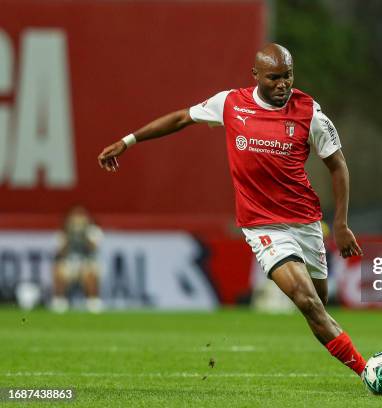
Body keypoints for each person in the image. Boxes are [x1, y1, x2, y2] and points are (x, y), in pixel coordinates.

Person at [97, 44, 367, 377]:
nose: (283, 84)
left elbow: (338, 166)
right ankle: (367, 371)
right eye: (274, 78)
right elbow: (182, 117)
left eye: (288, 76)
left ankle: (346, 351)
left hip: (306, 221)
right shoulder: (230, 103)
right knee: (306, 301)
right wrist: (128, 141)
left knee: (318, 305)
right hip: (262, 225)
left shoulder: (310, 113)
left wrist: (340, 224)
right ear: (256, 76)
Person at [51, 206, 104, 313]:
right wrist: (70, 236)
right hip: (69, 264)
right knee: (58, 269)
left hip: (86, 262)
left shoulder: (93, 231)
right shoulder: (64, 232)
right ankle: (60, 300)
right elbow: (60, 251)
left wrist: (83, 234)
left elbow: (93, 247)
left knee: (91, 270)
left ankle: (92, 301)